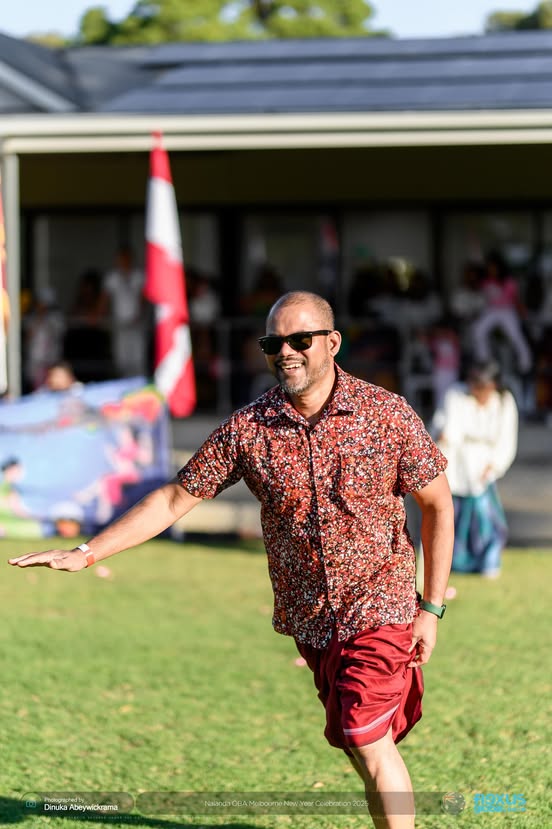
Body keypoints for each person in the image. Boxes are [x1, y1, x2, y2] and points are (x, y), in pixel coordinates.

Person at [8, 291, 454, 829]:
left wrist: (430, 607)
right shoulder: (250, 428)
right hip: (311, 618)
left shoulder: (385, 415)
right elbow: (176, 498)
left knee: (365, 733)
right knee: (363, 746)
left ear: (332, 343)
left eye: (300, 340)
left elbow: (438, 506)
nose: (285, 352)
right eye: (273, 342)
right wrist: (87, 552)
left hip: (380, 605)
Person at [433, 359, 518, 578]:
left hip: (483, 468)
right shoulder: (456, 396)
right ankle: (455, 564)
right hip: (457, 466)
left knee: (486, 520)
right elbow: (449, 431)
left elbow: (506, 440)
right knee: (454, 519)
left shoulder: (504, 402)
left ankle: (488, 563)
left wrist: (495, 465)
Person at [471, 251, 532, 374]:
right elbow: (481, 296)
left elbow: (515, 299)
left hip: (507, 310)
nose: (491, 270)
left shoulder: (508, 281)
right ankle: (484, 359)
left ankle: (526, 361)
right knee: (477, 330)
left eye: (493, 267)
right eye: (489, 267)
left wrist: (521, 310)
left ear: (499, 267)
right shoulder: (485, 281)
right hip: (492, 310)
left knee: (514, 334)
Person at [102, 247, 148, 378]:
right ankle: (122, 388)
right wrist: (97, 315)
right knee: (121, 359)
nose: (123, 262)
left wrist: (138, 314)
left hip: (137, 325)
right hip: (120, 325)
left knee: (138, 358)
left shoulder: (139, 276)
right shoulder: (113, 277)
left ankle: (139, 387)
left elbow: (143, 298)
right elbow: (104, 298)